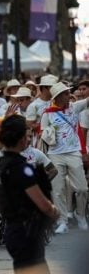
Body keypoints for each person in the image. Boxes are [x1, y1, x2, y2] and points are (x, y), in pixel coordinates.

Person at [0, 115, 60, 274]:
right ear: (22, 139)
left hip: (12, 230)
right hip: (27, 231)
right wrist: (54, 211)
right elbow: (43, 205)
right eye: (26, 137)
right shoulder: (20, 168)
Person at [40, 82, 89, 233]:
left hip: (74, 153)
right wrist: (49, 134)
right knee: (58, 190)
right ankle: (63, 222)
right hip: (55, 155)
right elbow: (43, 134)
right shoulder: (47, 113)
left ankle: (80, 215)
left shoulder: (74, 107)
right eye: (66, 93)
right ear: (58, 97)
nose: (70, 95)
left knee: (82, 188)